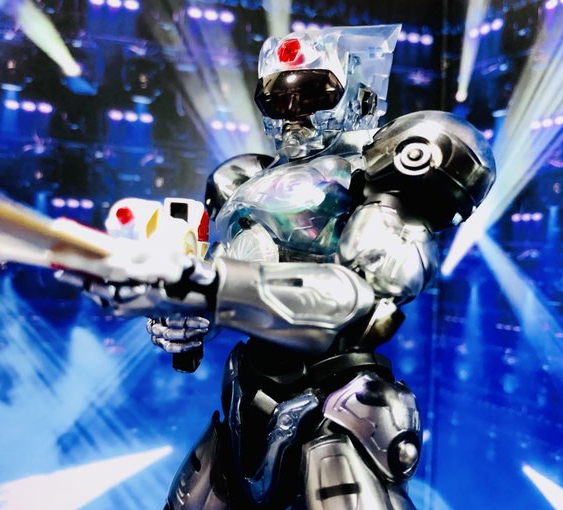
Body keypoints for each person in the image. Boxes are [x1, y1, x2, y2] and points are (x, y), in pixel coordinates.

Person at [81, 25, 496, 509]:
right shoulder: (243, 180)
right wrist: (184, 312)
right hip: (250, 389)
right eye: (279, 98)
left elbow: (364, 296)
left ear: (356, 95)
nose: (295, 113)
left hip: (338, 399)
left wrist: (213, 290)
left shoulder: (373, 175)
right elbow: (226, 276)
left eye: (313, 94)